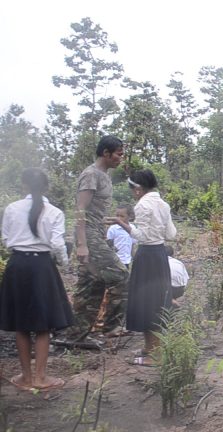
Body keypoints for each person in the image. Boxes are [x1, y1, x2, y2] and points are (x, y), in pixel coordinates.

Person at [0, 168, 73, 390]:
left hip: (18, 266)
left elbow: (5, 239)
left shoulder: (12, 209)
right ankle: (41, 378)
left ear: (23, 186)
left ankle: (26, 378)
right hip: (42, 267)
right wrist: (65, 265)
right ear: (47, 187)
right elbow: (58, 244)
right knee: (43, 325)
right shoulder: (55, 212)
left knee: (21, 324)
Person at [107, 169, 176, 365]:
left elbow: (142, 236)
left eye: (132, 190)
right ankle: (150, 347)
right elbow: (171, 234)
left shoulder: (143, 205)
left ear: (138, 189)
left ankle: (155, 355)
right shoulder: (163, 204)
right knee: (156, 301)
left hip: (146, 256)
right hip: (160, 256)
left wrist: (122, 224)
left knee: (147, 303)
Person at [67, 135, 129, 340]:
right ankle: (111, 328)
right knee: (120, 275)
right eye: (119, 154)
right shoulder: (91, 174)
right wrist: (83, 244)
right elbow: (80, 209)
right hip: (88, 235)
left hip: (96, 234)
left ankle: (77, 335)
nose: (121, 158)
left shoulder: (104, 176)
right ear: (106, 153)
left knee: (91, 283)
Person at [106, 204, 136, 269]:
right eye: (117, 216)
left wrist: (134, 259)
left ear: (130, 217)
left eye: (122, 216)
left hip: (127, 261)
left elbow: (132, 246)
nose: (118, 219)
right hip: (115, 261)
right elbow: (109, 245)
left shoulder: (132, 229)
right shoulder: (113, 229)